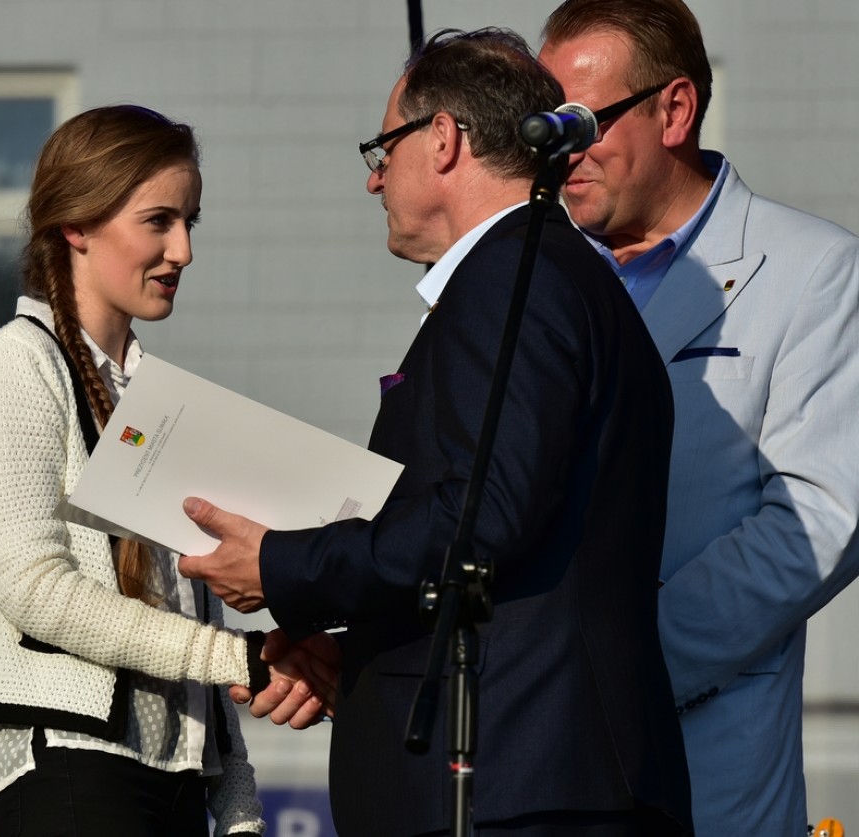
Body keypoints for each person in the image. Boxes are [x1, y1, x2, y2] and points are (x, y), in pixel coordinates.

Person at [179, 29, 693, 836]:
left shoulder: (514, 278)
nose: (374, 178)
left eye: (384, 148)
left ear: (444, 138)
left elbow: (479, 517)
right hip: (536, 768)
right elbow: (513, 548)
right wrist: (366, 653)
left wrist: (280, 563)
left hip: (518, 783)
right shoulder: (548, 276)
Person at [0, 104, 330, 836]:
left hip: (175, 782)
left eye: (191, 221)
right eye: (159, 221)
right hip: (71, 769)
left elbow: (192, 614)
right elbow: (34, 590)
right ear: (76, 225)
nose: (183, 250)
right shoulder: (17, 364)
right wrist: (242, 659)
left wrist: (238, 805)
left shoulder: (150, 394)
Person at [537, 2, 859, 835]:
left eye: (582, 122)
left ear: (674, 109)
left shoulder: (813, 271)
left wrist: (620, 662)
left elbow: (818, 521)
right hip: (530, 760)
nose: (559, 149)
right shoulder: (534, 276)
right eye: (547, 124)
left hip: (701, 763)